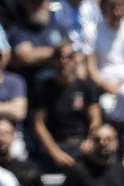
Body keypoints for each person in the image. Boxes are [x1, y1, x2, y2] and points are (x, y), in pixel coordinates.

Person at [32, 39, 103, 170]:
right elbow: (39, 123)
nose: (64, 61)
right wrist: (54, 152)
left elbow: (95, 118)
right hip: (56, 145)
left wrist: (90, 141)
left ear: (75, 59)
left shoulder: (87, 86)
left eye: (69, 56)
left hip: (83, 144)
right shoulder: (43, 88)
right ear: (52, 61)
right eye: (59, 57)